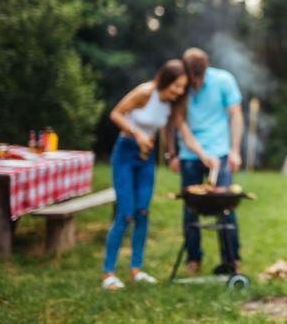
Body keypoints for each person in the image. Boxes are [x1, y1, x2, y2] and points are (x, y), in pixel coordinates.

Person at [102, 59, 214, 290]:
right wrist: (137, 134)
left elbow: (185, 133)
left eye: (182, 88)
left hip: (146, 159)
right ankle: (109, 273)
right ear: (166, 80)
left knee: (143, 211)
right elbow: (116, 114)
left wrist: (204, 156)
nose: (179, 91)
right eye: (176, 86)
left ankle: (136, 270)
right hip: (125, 153)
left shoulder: (173, 104)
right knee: (125, 213)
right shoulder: (146, 92)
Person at [166, 47, 244, 275]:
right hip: (190, 155)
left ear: (206, 69)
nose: (196, 83)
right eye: (193, 79)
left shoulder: (224, 80)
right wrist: (172, 153)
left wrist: (235, 150)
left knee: (225, 208)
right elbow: (174, 123)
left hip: (219, 152)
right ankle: (193, 258)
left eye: (199, 78)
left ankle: (232, 259)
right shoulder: (180, 85)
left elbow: (236, 115)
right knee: (191, 208)